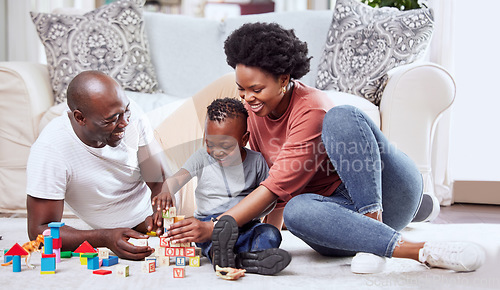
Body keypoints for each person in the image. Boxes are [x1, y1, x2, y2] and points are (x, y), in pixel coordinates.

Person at [164, 22, 485, 273]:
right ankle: (417, 212)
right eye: (241, 89)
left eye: (257, 89)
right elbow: (275, 191)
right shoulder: (252, 113)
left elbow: (275, 187)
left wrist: (218, 226)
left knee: (343, 117)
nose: (247, 98)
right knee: (298, 210)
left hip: (384, 191)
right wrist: (266, 244)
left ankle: (399, 238)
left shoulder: (311, 109)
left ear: (285, 79)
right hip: (334, 212)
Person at [26, 71, 168, 260]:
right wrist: (104, 238)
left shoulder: (130, 115)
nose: (124, 123)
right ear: (80, 118)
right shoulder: (51, 150)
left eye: (126, 112)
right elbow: (40, 231)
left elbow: (158, 180)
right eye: (111, 120)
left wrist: (160, 212)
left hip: (177, 187)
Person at [152, 98, 290, 275]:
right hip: (209, 225)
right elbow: (176, 180)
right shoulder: (201, 158)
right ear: (205, 137)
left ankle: (244, 258)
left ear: (244, 139)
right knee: (212, 242)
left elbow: (269, 198)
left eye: (226, 146)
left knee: (270, 234)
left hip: (246, 223)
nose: (217, 151)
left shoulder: (256, 161)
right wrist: (166, 191)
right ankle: (221, 255)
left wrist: (252, 216)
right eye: (210, 144)